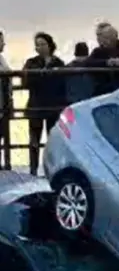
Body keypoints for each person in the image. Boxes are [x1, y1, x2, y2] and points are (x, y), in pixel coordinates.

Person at [21, 32, 66, 176]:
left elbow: (61, 84)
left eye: (42, 44)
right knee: (34, 140)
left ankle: (52, 169)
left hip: (52, 106)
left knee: (52, 140)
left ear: (50, 45)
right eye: (37, 45)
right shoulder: (31, 62)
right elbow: (26, 81)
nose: (40, 47)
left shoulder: (58, 63)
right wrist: (43, 74)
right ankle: (33, 169)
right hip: (36, 106)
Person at [85, 25, 119, 95]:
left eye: (107, 38)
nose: (104, 41)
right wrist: (106, 62)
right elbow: (88, 63)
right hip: (103, 89)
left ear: (114, 38)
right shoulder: (98, 51)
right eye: (104, 38)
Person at [0, 31, 12, 170]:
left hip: (4, 104)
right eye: (1, 41)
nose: (3, 44)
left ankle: (6, 165)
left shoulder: (2, 58)